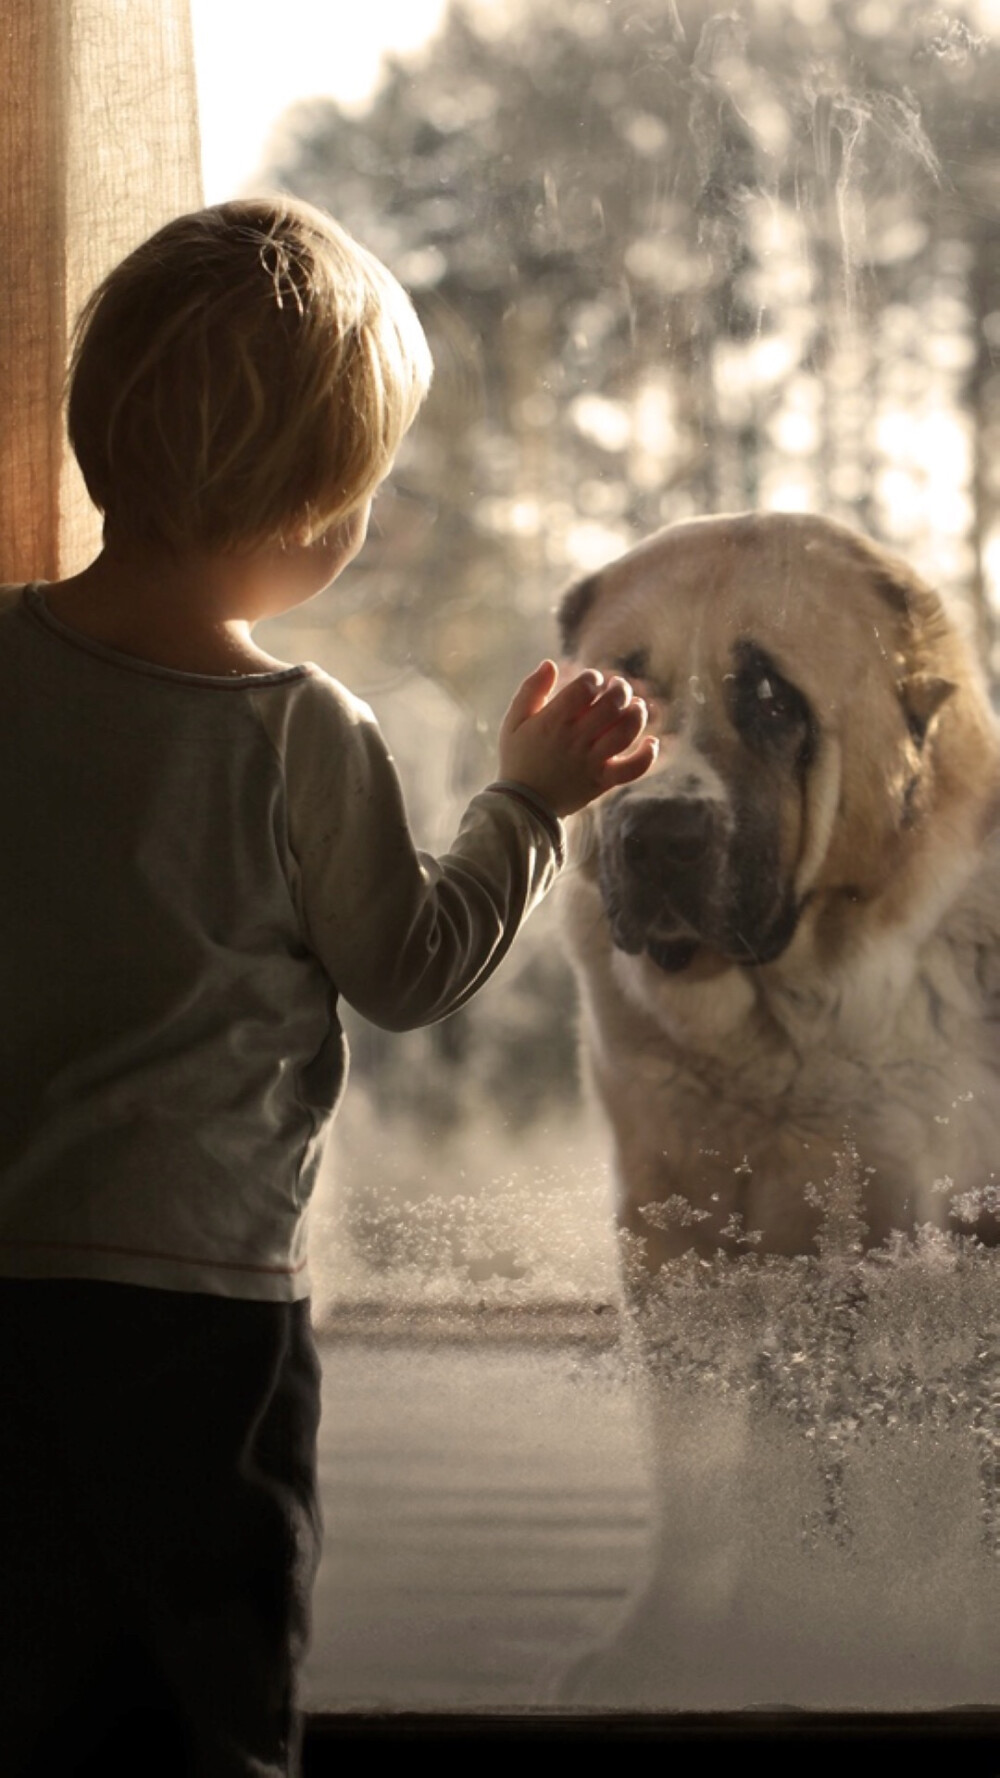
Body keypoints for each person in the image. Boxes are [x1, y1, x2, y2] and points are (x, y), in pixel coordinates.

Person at [0, 195, 656, 1776]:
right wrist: (529, 808)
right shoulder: (299, 728)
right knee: (206, 1672)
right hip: (199, 1295)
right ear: (317, 510)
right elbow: (410, 967)